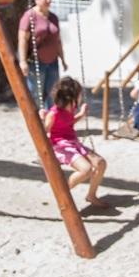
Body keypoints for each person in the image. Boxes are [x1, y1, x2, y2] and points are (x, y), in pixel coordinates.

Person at [44, 77, 108, 208]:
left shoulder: (71, 107)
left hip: (73, 142)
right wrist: (41, 118)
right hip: (60, 146)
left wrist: (82, 114)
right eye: (80, 93)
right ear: (72, 96)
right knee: (86, 169)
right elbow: (43, 132)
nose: (81, 96)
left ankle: (91, 195)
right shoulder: (53, 113)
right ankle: (63, 194)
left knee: (100, 163)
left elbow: (69, 122)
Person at [18, 0, 67, 110]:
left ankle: (50, 119)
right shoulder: (29, 16)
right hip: (36, 62)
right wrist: (22, 61)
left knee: (53, 95)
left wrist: (63, 59)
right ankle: (36, 120)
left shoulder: (53, 17)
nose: (48, 0)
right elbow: (23, 39)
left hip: (52, 62)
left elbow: (58, 40)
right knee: (35, 95)